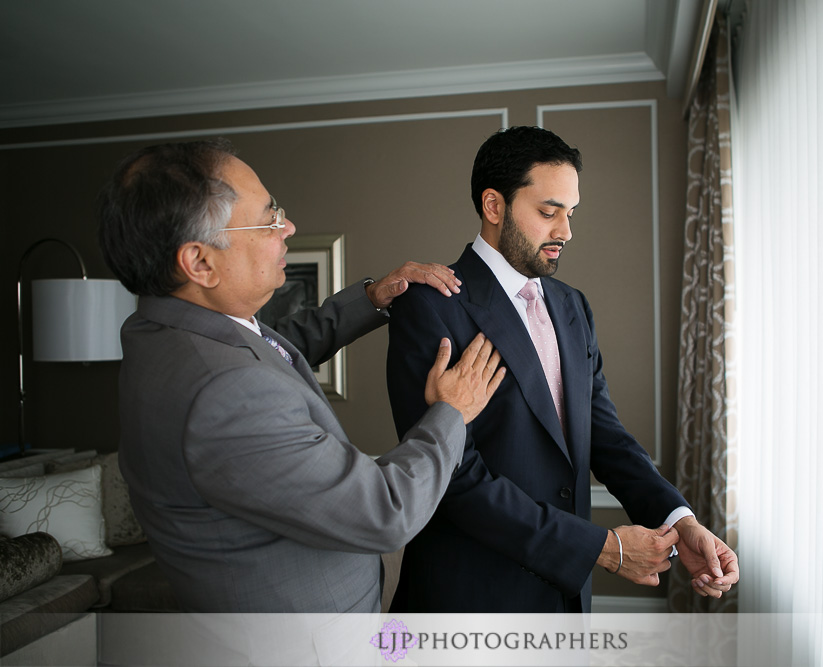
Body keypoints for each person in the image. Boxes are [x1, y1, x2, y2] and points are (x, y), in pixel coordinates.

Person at [96, 138, 505, 614]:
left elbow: (266, 346)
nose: (287, 227)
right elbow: (386, 511)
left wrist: (369, 301)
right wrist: (451, 412)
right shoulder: (223, 393)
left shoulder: (160, 327)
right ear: (200, 262)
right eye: (269, 218)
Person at [386, 126, 739, 612]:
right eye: (548, 212)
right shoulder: (430, 307)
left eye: (570, 214)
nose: (565, 232)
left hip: (564, 602)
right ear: (494, 206)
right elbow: (453, 479)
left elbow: (605, 435)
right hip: (468, 597)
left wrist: (681, 521)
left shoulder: (572, 307)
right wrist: (602, 549)